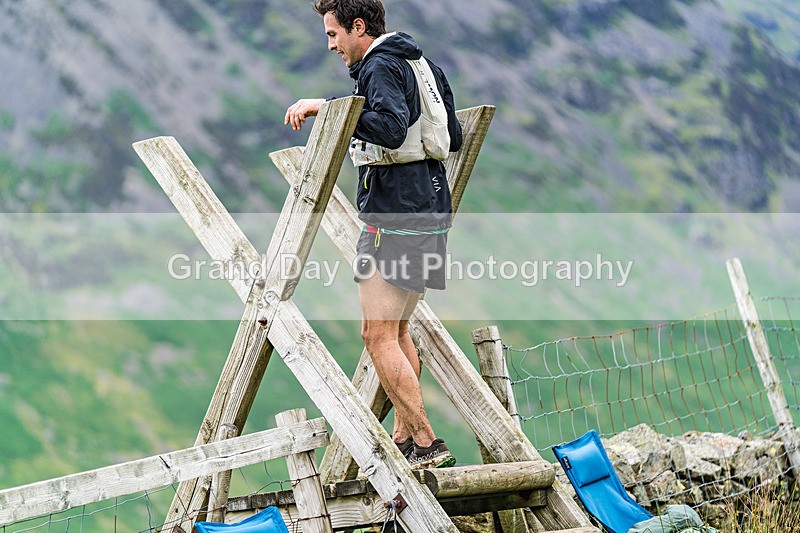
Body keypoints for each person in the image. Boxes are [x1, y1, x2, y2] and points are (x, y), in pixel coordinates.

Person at [284, 0, 462, 469]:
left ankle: (425, 442)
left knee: (375, 333)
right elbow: (454, 135)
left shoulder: (379, 65)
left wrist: (328, 108)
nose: (332, 45)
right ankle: (405, 436)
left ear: (358, 27)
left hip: (394, 210)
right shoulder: (420, 62)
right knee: (398, 330)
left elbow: (387, 125)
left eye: (333, 34)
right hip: (430, 205)